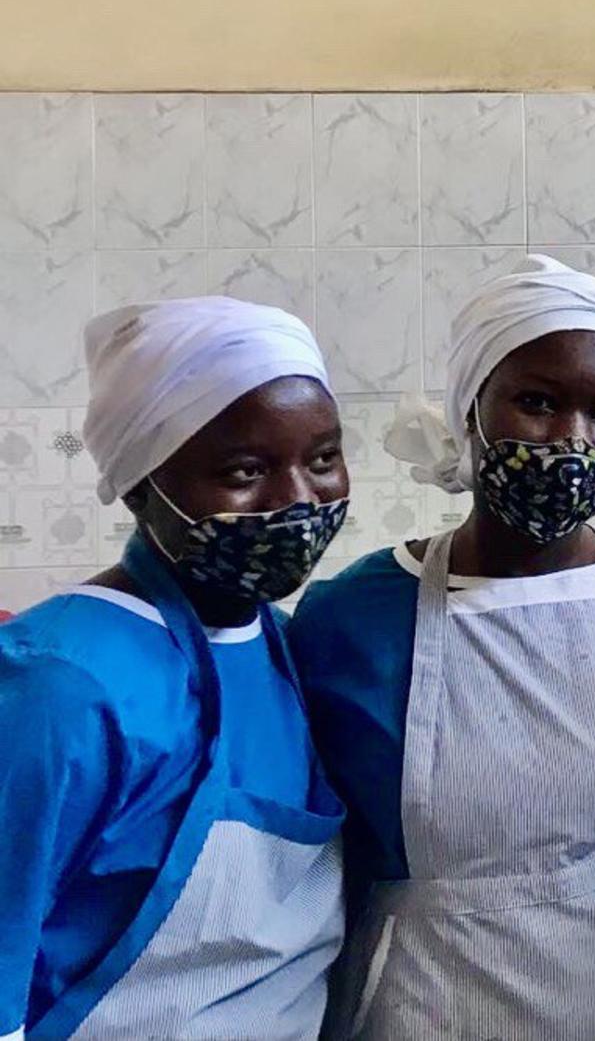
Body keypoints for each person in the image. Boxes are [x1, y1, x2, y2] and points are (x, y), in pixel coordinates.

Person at [289, 255, 595, 1039]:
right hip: (426, 1007)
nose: (572, 440)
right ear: (471, 410)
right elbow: (324, 877)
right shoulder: (349, 621)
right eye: (536, 402)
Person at [0, 298, 350, 1039]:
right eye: (244, 470)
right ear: (139, 484)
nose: (296, 499)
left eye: (322, 458)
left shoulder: (287, 648)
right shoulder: (60, 685)